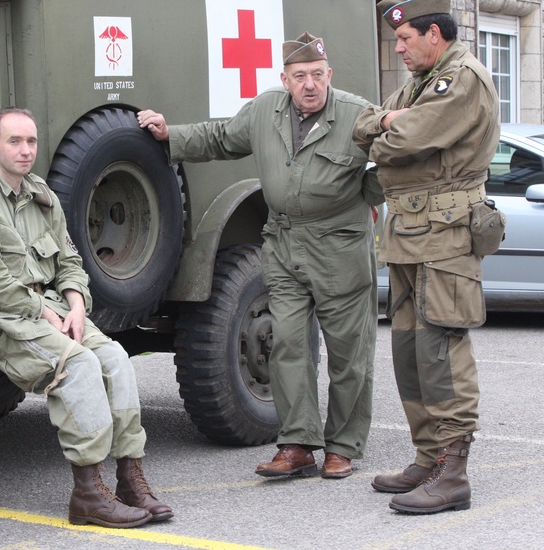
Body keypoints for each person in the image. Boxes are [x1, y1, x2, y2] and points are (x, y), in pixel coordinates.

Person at [138, 33, 382, 480]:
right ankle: (298, 443)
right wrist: (169, 135)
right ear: (284, 79)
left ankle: (343, 445)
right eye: (299, 76)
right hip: (285, 243)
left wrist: (367, 192)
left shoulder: (357, 114)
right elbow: (221, 138)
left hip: (340, 246)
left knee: (350, 352)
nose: (309, 85)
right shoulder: (265, 109)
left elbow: (393, 161)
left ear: (330, 75)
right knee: (287, 343)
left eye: (317, 76)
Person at [0, 107, 173, 528]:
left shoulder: (41, 196)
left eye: (31, 142)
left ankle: (130, 478)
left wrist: (76, 302)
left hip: (55, 309)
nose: (25, 151)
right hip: (1, 317)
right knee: (77, 367)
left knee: (113, 358)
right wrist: (41, 308)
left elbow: (71, 260)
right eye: (14, 142)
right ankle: (88, 492)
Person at [352, 0, 500, 514]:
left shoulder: (462, 79)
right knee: (410, 352)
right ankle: (428, 457)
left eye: (404, 37)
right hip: (411, 234)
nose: (398, 48)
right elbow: (365, 128)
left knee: (442, 350)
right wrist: (388, 125)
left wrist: (391, 131)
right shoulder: (420, 83)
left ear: (434, 35)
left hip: (447, 234)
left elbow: (400, 142)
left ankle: (454, 472)